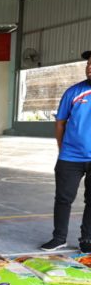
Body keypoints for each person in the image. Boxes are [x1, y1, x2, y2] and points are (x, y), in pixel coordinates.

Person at [41, 50, 91, 251]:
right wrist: (62, 149)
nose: (89, 67)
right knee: (63, 198)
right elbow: (60, 123)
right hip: (70, 157)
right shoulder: (73, 92)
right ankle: (59, 237)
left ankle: (87, 239)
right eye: (88, 64)